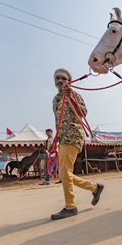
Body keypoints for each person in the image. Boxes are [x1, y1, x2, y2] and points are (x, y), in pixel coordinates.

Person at [50, 68, 104, 220]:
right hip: (62, 138)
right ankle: (94, 187)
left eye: (63, 78)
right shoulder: (55, 100)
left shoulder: (74, 94)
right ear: (54, 81)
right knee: (64, 173)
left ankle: (70, 206)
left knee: (64, 173)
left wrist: (71, 98)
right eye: (58, 78)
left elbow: (83, 112)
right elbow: (57, 122)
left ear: (69, 81)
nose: (60, 81)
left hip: (73, 136)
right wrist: (55, 140)